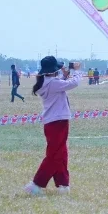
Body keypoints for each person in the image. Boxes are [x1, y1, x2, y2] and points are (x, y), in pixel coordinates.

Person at [24, 57, 82, 194]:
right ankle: (36, 184)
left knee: (60, 153)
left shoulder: (46, 82)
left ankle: (63, 184)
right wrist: (78, 71)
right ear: (53, 70)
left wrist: (65, 74)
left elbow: (62, 81)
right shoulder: (53, 83)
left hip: (52, 122)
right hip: (58, 122)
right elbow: (73, 83)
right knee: (55, 155)